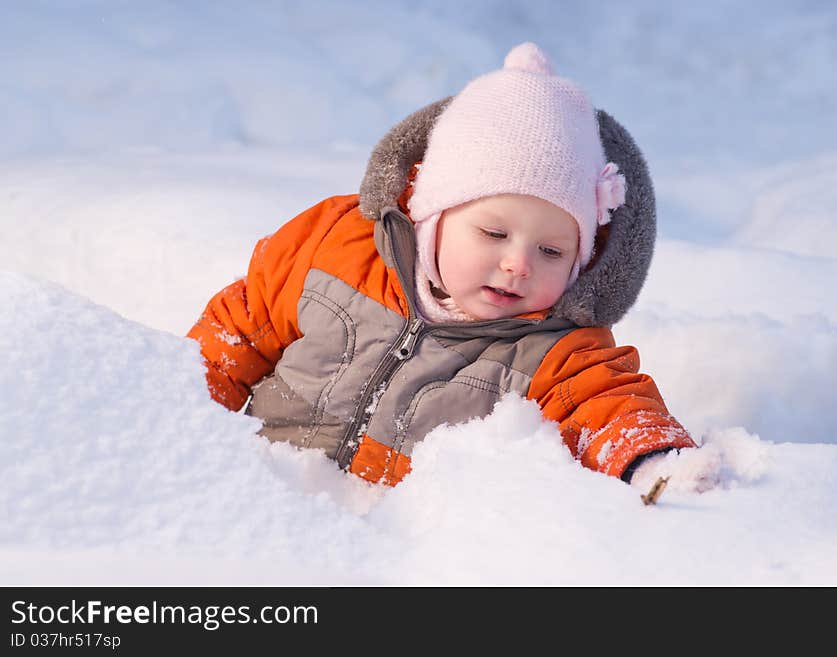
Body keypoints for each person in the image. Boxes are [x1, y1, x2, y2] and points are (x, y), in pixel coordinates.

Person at [187, 42, 697, 488]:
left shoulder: (555, 349)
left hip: (396, 547)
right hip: (259, 493)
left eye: (552, 252)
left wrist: (653, 461)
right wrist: (183, 416)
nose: (518, 263)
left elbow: (605, 408)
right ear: (432, 217)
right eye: (493, 233)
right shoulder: (332, 247)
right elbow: (235, 336)